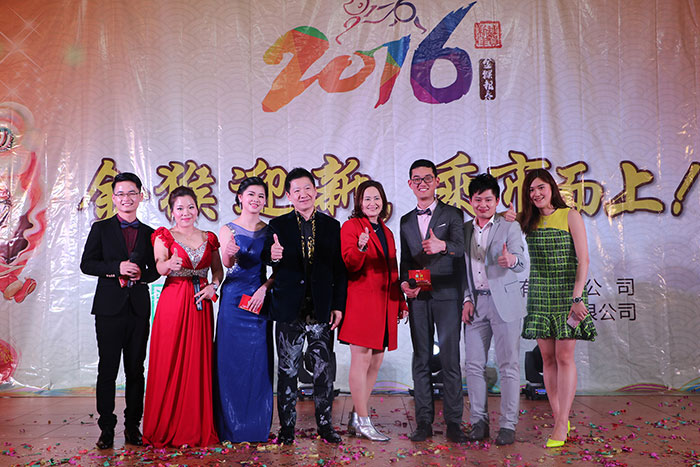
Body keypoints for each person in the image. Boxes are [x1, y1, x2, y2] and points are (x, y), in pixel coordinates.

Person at [261, 168, 347, 445]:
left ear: (315, 190)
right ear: (288, 196)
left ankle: (325, 425)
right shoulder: (278, 225)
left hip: (321, 309)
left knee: (323, 371)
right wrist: (272, 255)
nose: (303, 194)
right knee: (287, 372)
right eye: (296, 190)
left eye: (307, 188)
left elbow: (339, 270)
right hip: (289, 310)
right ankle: (287, 429)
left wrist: (338, 305)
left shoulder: (332, 226)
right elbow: (267, 257)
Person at [517, 168, 596, 448]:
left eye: (541, 187)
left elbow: (583, 259)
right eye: (531, 190)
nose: (536, 193)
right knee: (547, 359)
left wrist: (577, 296)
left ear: (551, 188)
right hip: (540, 293)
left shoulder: (570, 215)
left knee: (564, 357)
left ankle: (562, 422)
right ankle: (558, 416)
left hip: (568, 293)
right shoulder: (528, 220)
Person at [81, 172, 159, 449]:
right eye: (121, 194)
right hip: (108, 309)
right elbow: (87, 264)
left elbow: (154, 271)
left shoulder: (150, 233)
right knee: (108, 369)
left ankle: (132, 427)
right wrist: (117, 268)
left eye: (132, 193)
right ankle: (106, 428)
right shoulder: (101, 229)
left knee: (136, 369)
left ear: (140, 196)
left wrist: (142, 275)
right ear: (114, 198)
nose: (127, 198)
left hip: (138, 309)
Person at [142, 186, 223, 448]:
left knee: (198, 361)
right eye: (180, 208)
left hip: (201, 303)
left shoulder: (209, 238)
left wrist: (214, 286)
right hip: (174, 301)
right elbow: (159, 265)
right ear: (172, 212)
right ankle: (166, 424)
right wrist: (169, 265)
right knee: (169, 359)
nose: (185, 212)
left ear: (197, 209)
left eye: (190, 207)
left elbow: (218, 271)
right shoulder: (164, 236)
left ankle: (194, 425)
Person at [399, 159, 467, 443]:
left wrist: (443, 246)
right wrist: (404, 284)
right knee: (421, 359)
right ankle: (424, 422)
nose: (422, 183)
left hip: (447, 294)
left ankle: (454, 423)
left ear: (437, 181)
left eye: (427, 178)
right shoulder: (405, 220)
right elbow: (405, 260)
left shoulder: (452, 214)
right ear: (410, 184)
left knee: (450, 360)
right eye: (417, 179)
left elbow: (462, 249)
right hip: (419, 296)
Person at [461, 173, 528, 446]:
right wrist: (466, 299)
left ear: (497, 200)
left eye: (488, 200)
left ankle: (508, 425)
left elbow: (522, 262)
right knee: (473, 365)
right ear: (470, 201)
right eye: (478, 200)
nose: (483, 205)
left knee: (508, 365)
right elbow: (463, 271)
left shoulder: (509, 225)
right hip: (476, 304)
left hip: (505, 304)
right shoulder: (464, 230)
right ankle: (479, 422)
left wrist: (511, 260)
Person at [338, 180, 408, 441]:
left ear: (383, 201)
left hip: (385, 302)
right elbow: (349, 264)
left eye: (376, 198)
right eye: (367, 198)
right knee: (362, 358)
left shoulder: (387, 232)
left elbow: (393, 269)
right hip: (361, 303)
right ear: (359, 202)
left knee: (376, 360)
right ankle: (364, 421)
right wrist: (361, 247)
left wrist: (401, 302)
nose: (372, 203)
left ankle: (357, 416)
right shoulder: (351, 227)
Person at [214, 177, 274, 443]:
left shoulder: (270, 231)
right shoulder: (227, 229)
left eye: (261, 196)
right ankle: (229, 425)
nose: (256, 200)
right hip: (233, 301)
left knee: (257, 362)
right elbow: (227, 265)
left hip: (258, 300)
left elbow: (280, 269)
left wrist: (264, 288)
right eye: (251, 194)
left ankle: (256, 426)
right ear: (240, 197)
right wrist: (228, 252)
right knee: (230, 361)